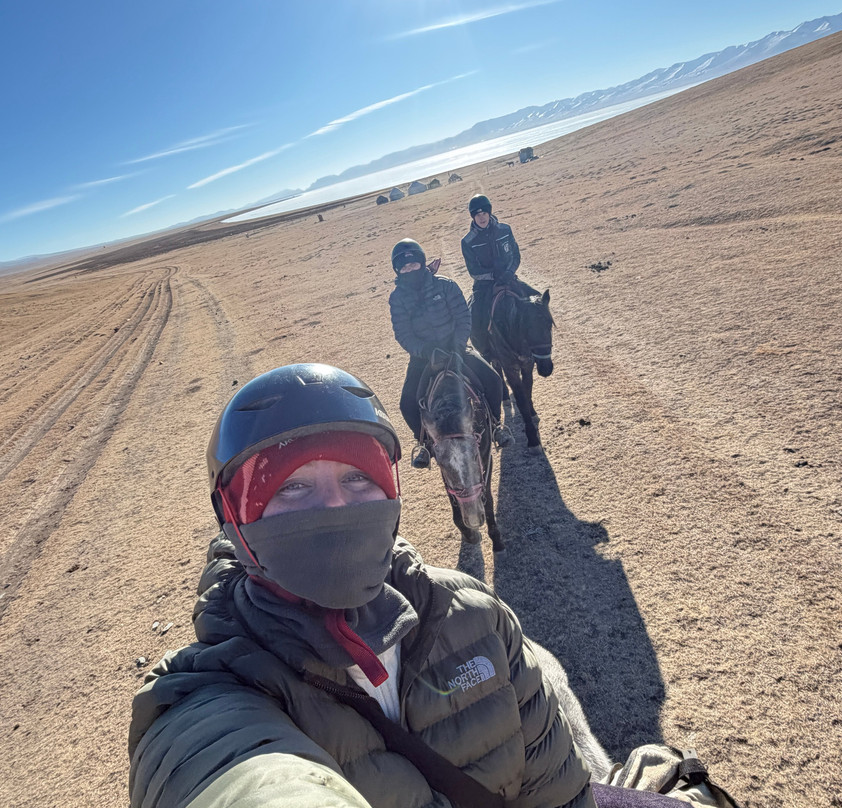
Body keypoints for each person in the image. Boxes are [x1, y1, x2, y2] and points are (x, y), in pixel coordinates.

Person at [127, 363, 597, 808]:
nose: (335, 506)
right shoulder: (204, 695)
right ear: (234, 518)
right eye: (291, 486)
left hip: (454, 337)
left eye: (357, 477)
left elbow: (560, 790)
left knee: (489, 379)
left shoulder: (476, 614)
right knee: (414, 392)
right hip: (424, 347)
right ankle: (424, 441)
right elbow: (232, 774)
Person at [388, 238, 513, 470]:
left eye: (413, 264)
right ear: (398, 271)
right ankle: (424, 444)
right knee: (406, 404)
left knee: (494, 380)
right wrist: (425, 351)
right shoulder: (397, 298)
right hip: (423, 357)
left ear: (422, 263)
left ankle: (496, 425)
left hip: (456, 347)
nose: (410, 270)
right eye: (404, 267)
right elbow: (403, 334)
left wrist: (457, 345)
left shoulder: (446, 285)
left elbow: (463, 317)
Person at [460, 194, 538, 361]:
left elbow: (515, 255)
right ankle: (486, 352)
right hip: (484, 285)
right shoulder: (467, 241)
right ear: (473, 217)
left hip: (509, 278)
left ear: (489, 213)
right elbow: (473, 271)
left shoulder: (505, 230)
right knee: (475, 318)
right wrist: (492, 275)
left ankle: (538, 346)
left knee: (538, 300)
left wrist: (509, 272)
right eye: (477, 215)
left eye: (484, 213)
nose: (482, 218)